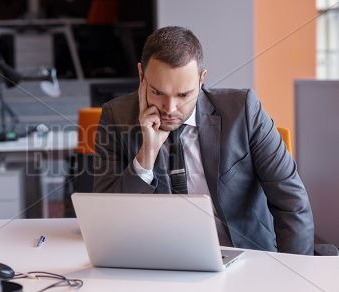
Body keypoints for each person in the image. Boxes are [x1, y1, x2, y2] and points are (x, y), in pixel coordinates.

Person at [93, 26, 314, 255]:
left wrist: (293, 273)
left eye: (183, 95)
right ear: (141, 76)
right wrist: (147, 155)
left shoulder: (243, 111)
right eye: (158, 92)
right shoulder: (115, 117)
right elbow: (105, 220)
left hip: (246, 259)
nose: (170, 109)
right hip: (159, 265)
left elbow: (292, 204)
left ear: (201, 79)